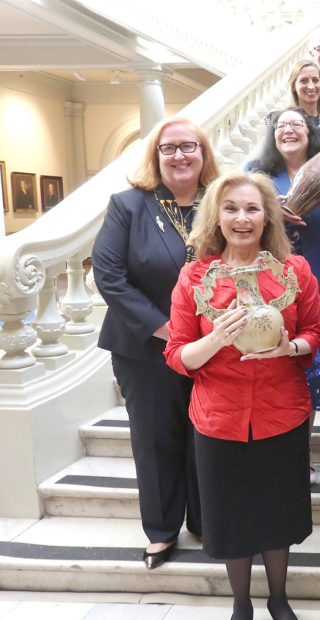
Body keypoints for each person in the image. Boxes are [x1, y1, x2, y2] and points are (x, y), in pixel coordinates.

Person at [164, 171, 320, 620]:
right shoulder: (196, 278)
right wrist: (216, 338)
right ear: (216, 216)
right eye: (230, 208)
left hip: (283, 414)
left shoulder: (294, 271)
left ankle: (278, 599)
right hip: (219, 418)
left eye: (252, 208)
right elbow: (176, 354)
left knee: (276, 516)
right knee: (231, 520)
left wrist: (288, 346)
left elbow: (316, 333)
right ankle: (241, 605)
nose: (242, 218)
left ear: (267, 216)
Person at [91, 115, 218, 570]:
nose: (180, 155)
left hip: (212, 346)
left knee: (205, 434)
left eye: (189, 146)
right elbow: (109, 276)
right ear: (156, 156)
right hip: (144, 347)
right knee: (155, 438)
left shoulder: (221, 203)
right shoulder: (129, 205)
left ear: (204, 155)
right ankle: (162, 531)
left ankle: (205, 522)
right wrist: (168, 330)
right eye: (169, 148)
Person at [247, 107, 320, 413]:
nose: (288, 130)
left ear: (309, 134)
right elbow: (236, 223)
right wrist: (268, 211)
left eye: (296, 124)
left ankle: (302, 455)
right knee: (274, 371)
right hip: (267, 289)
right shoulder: (256, 175)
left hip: (318, 288)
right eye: (281, 125)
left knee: (310, 377)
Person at [284, 59, 320, 146]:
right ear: (293, 86)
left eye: (315, 80)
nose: (311, 86)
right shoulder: (280, 123)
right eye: (304, 81)